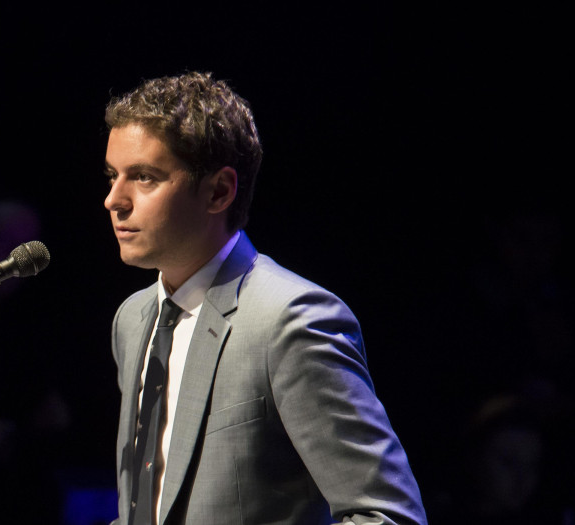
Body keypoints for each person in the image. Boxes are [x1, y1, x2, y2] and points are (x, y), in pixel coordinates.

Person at [103, 72, 427, 525]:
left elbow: (388, 515)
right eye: (113, 175)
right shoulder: (133, 318)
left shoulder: (290, 320)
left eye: (144, 177)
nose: (114, 200)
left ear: (219, 191)